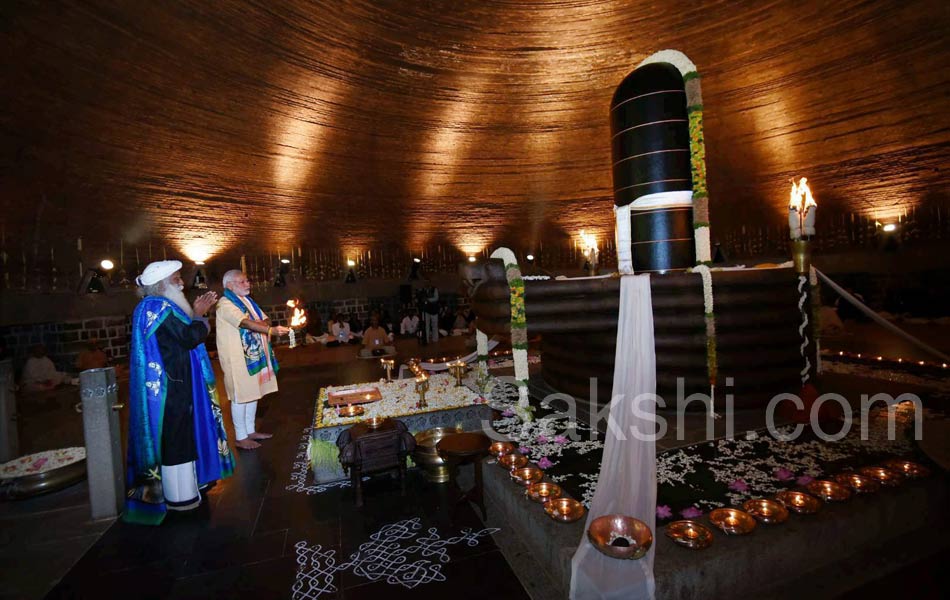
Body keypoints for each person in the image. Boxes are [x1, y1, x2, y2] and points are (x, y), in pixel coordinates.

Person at [126, 260, 233, 525]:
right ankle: (179, 496)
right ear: (163, 284)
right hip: (168, 389)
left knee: (183, 435)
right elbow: (188, 337)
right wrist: (199, 314)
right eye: (177, 279)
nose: (182, 283)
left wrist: (197, 315)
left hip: (177, 382)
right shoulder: (157, 307)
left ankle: (189, 487)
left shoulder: (157, 307)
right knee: (175, 438)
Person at [216, 270, 289, 450]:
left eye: (247, 280)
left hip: (252, 356)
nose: (248, 284)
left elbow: (264, 318)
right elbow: (244, 323)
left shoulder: (247, 301)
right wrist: (269, 330)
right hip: (237, 359)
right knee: (240, 397)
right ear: (230, 285)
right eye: (242, 282)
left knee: (252, 393)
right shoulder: (225, 304)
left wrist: (266, 325)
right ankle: (241, 437)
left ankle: (250, 431)